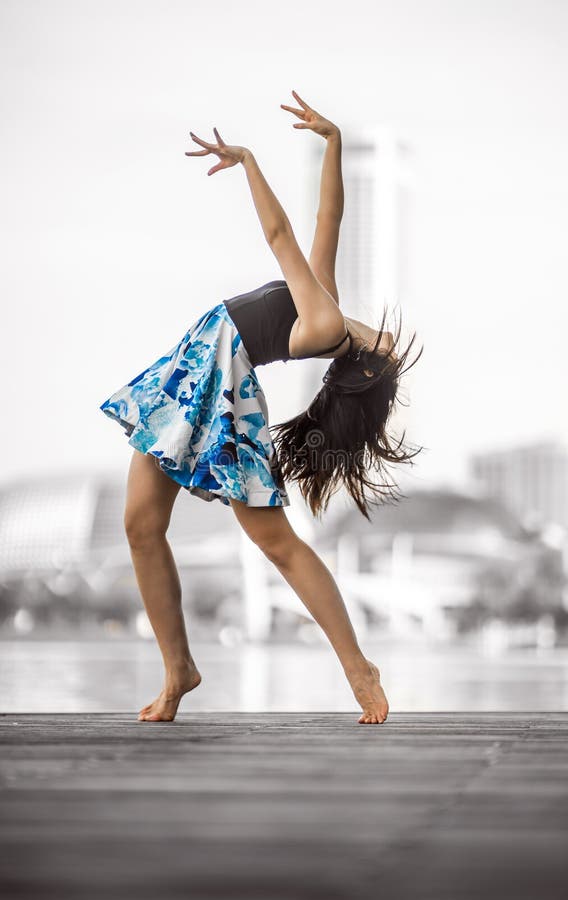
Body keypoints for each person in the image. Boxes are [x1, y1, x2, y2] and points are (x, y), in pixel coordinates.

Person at [99, 90, 423, 726]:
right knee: (140, 524)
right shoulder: (325, 302)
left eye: (384, 353)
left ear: (361, 364)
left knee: (277, 543)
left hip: (218, 385)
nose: (389, 340)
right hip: (192, 371)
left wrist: (249, 161)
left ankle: (358, 667)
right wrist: (335, 144)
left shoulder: (326, 319)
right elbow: (329, 218)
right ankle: (179, 672)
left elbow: (280, 237)